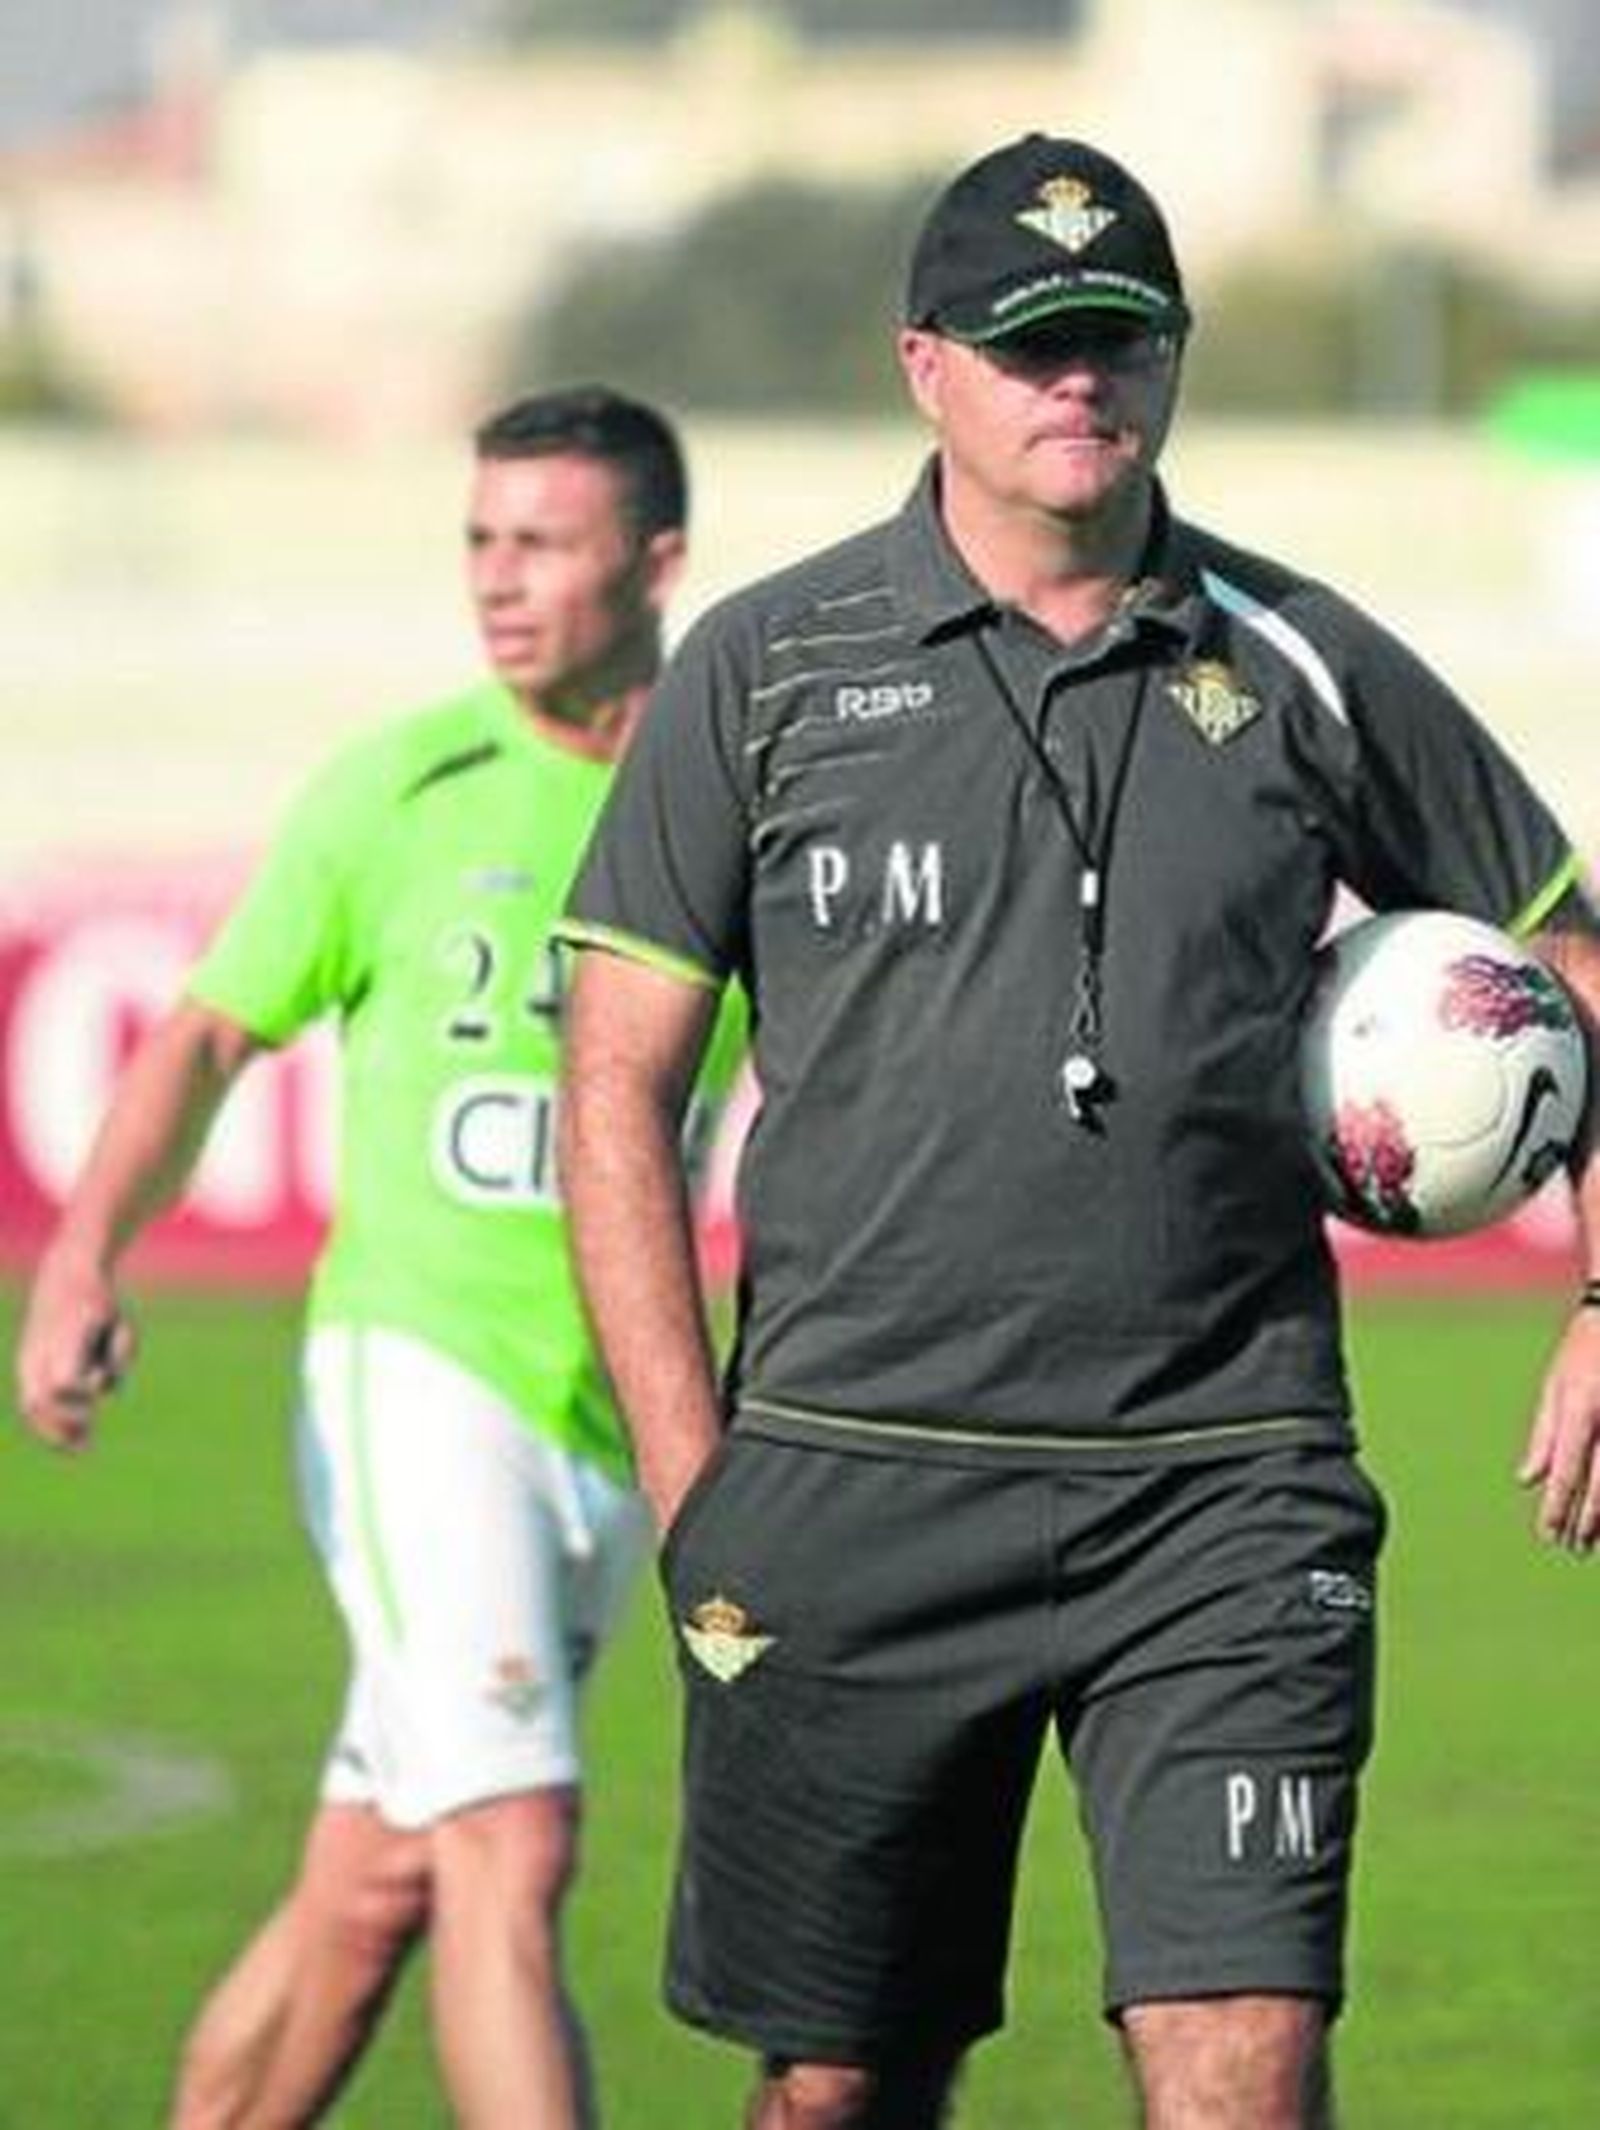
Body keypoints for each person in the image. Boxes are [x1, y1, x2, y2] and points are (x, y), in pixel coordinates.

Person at [551, 136, 1600, 2130]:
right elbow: (615, 1085)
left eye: (1116, 337)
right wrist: (704, 1491)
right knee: (838, 2091)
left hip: (1220, 1490)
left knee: (1244, 2068)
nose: (1077, 381)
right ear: (922, 365)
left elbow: (1567, 952)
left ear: (1172, 359)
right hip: (852, 1483)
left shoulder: (1302, 659)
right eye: (1029, 345)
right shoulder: (762, 672)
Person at [16, 385, 738, 2129]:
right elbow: (199, 1040)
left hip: (606, 1418)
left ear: (656, 563)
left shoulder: (732, 806)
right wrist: (82, 1257)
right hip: (417, 1380)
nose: (496, 581)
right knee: (514, 1835)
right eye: (478, 540)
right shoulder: (400, 790)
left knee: (374, 1886)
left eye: (541, 544)